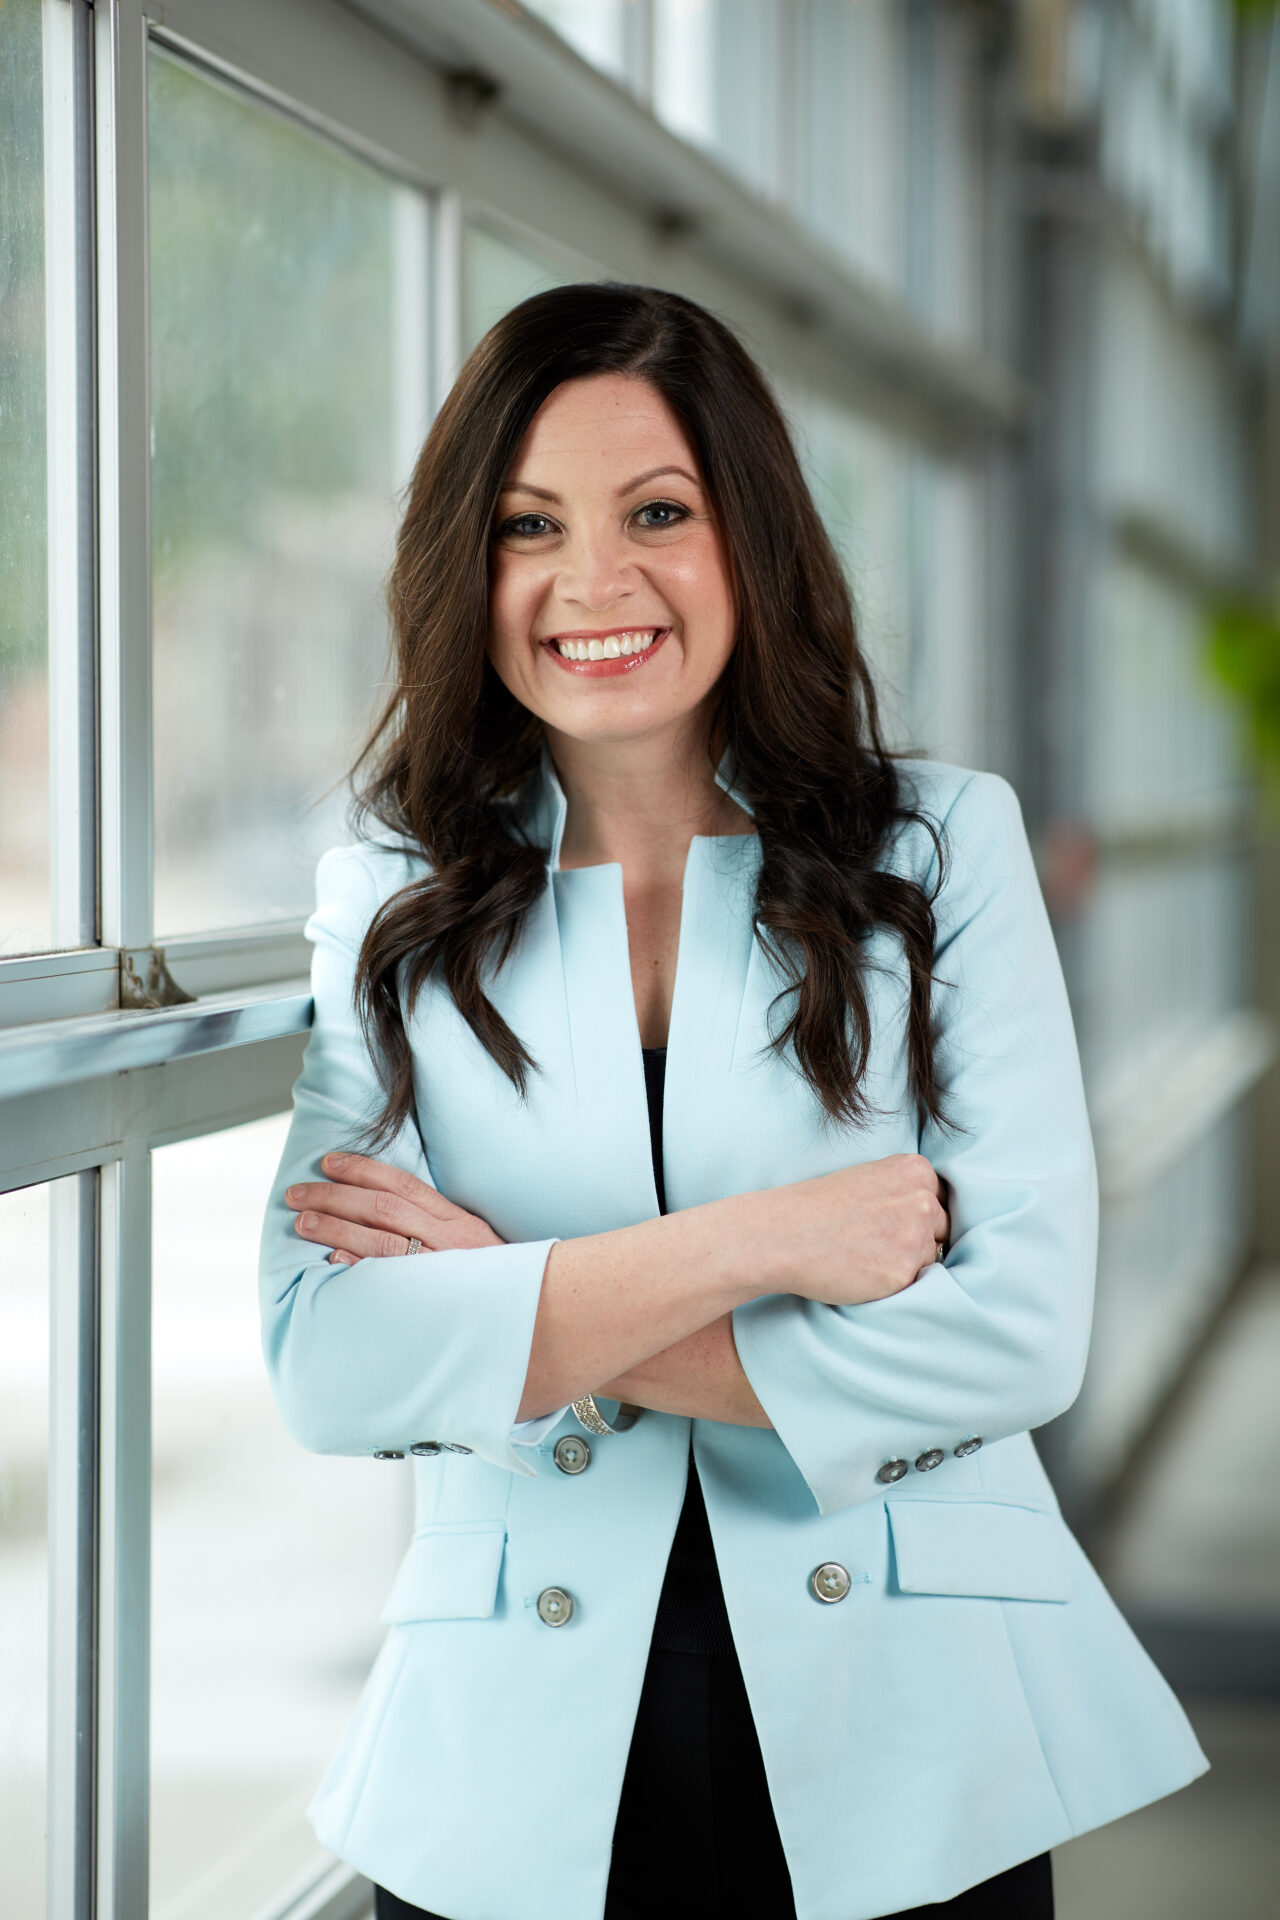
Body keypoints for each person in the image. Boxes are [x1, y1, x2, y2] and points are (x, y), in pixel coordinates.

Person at [259, 283, 1208, 1920]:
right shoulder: (392, 896)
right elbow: (329, 1366)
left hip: (916, 1730)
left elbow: (1020, 1337)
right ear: (463, 569)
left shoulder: (939, 850)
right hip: (512, 1749)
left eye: (658, 513)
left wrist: (509, 1307)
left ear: (749, 539)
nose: (593, 581)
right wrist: (776, 1240)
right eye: (527, 524)